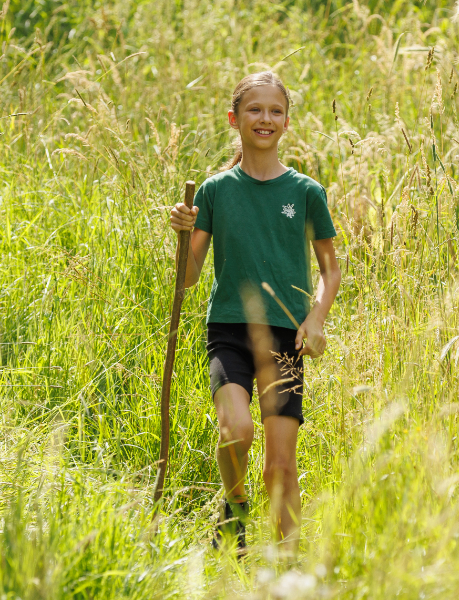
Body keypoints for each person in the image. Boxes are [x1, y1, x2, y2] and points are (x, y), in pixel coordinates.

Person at [169, 71, 341, 555]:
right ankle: (234, 507)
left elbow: (331, 269)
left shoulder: (306, 191)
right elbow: (188, 278)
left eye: (275, 111)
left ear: (287, 122)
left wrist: (316, 317)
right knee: (235, 431)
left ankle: (290, 567)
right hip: (228, 330)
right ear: (234, 118)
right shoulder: (214, 191)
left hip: (286, 336)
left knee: (281, 467)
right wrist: (182, 234)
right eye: (254, 109)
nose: (265, 118)